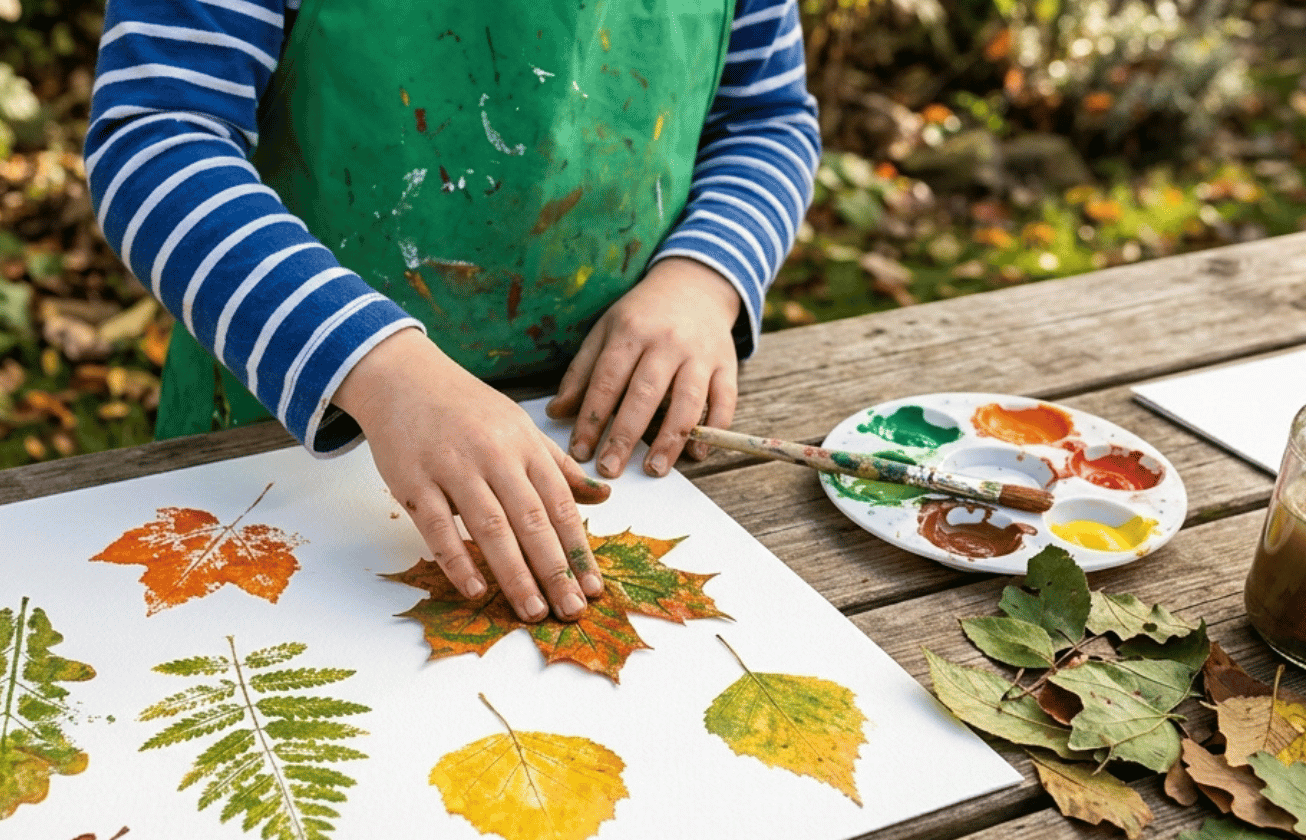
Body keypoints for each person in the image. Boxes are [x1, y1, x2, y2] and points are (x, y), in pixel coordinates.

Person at [86, 0, 819, 626]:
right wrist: (377, 367)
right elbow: (157, 137)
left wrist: (704, 278)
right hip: (291, 429)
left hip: (597, 426)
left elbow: (766, 118)